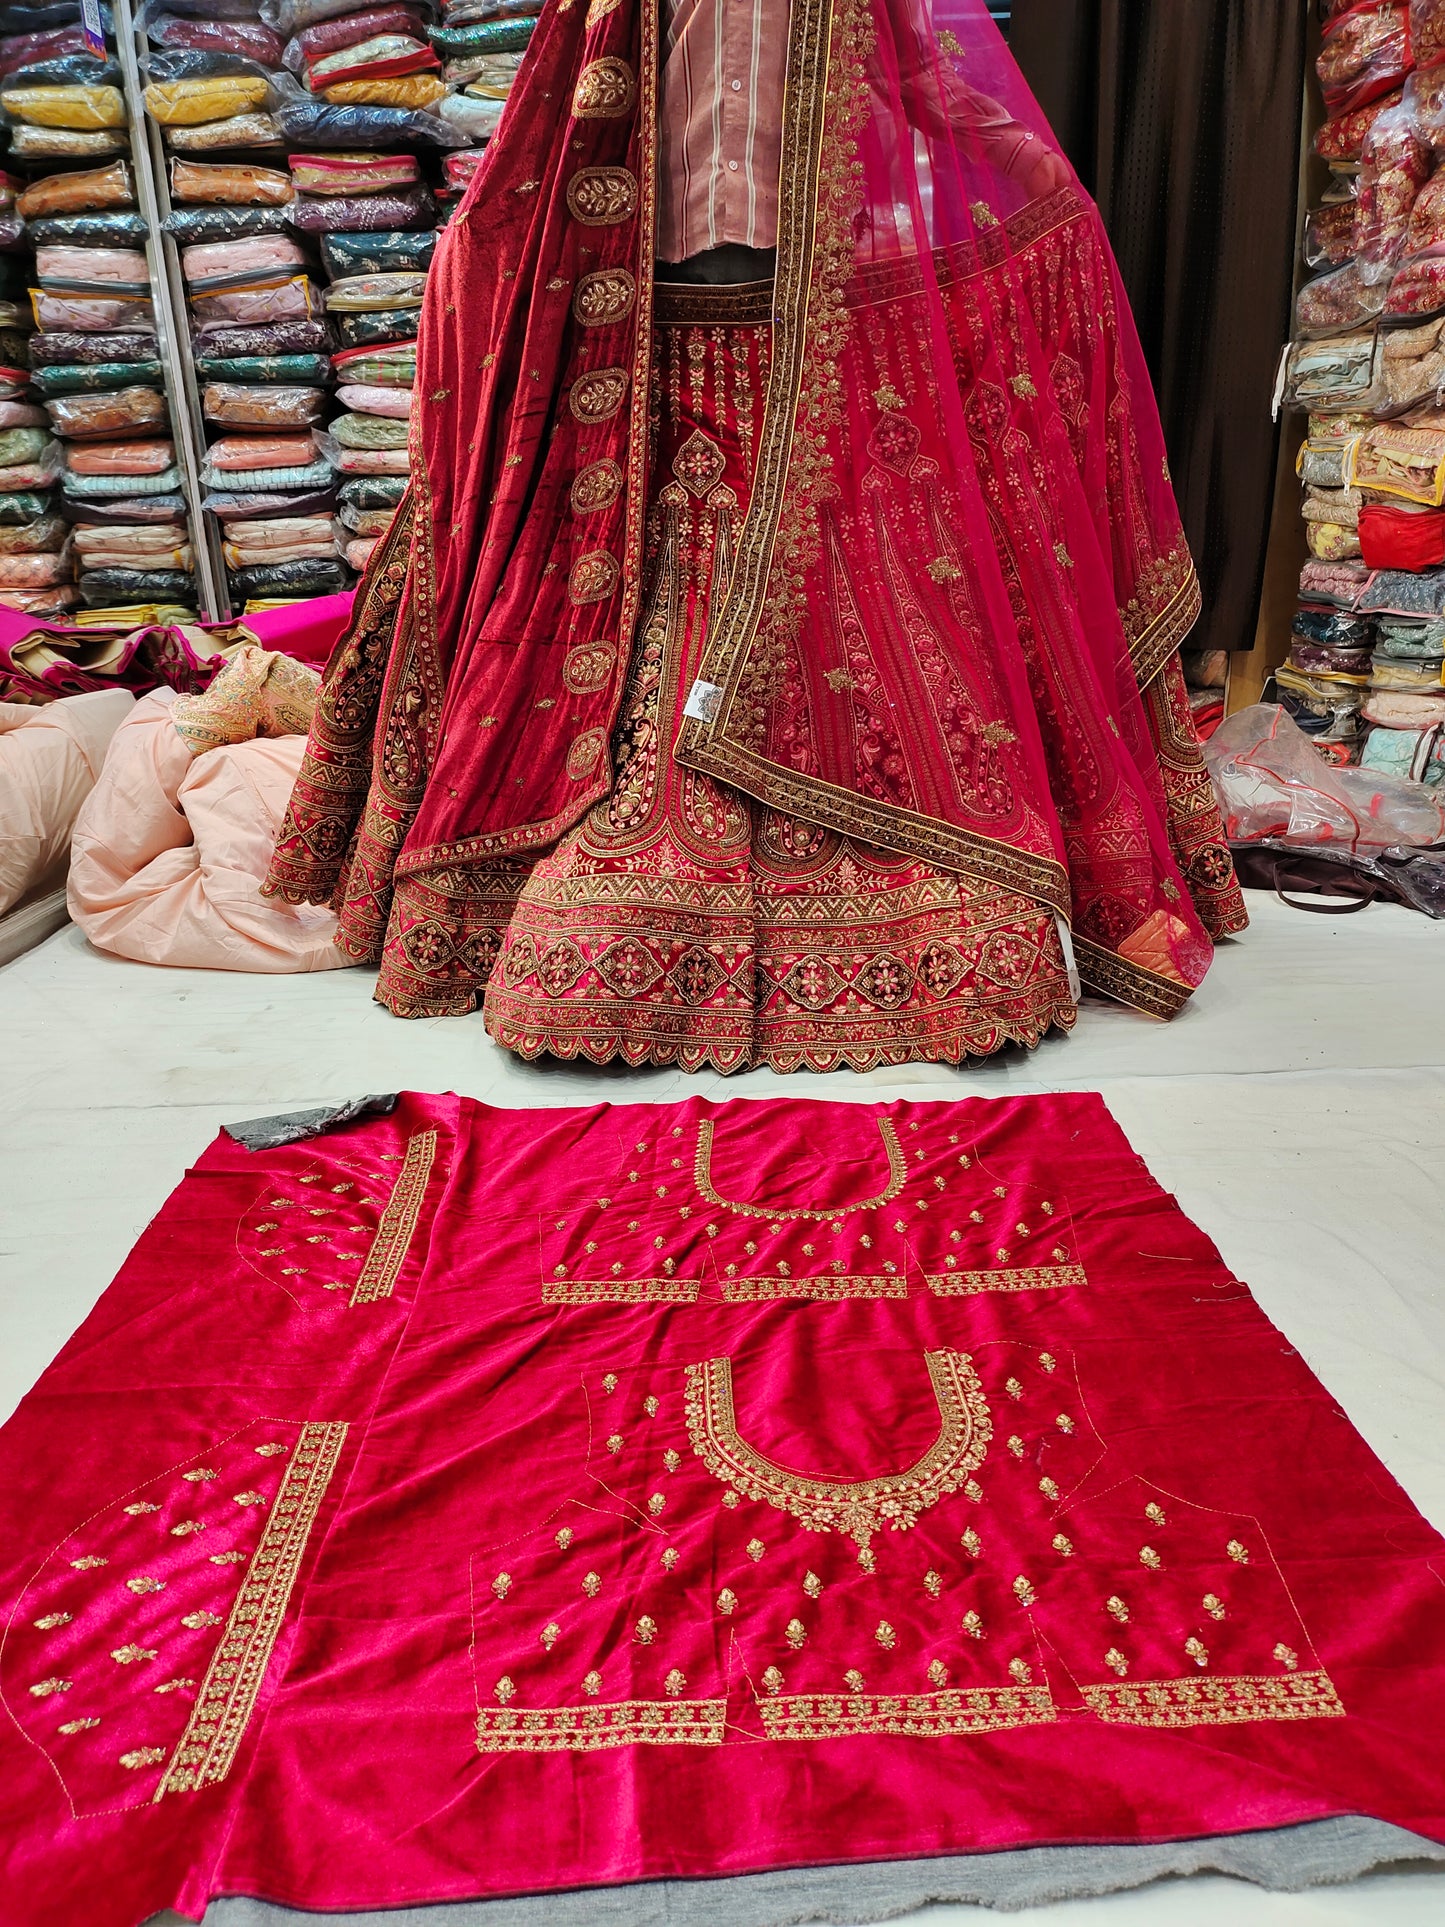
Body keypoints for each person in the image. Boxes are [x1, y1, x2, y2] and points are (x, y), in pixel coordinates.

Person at [264, 0, 1246, 1070]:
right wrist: (477, 263)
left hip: (813, 337)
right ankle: (606, 870)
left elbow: (928, 84)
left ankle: (901, 886)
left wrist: (1044, 190)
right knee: (585, 894)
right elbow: (559, 101)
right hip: (646, 350)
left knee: (896, 714)